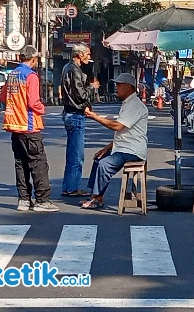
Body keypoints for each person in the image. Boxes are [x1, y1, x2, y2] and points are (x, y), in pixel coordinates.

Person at [0, 45, 59, 212]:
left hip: (14, 126)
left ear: (20, 58)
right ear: (33, 60)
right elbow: (33, 102)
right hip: (29, 126)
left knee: (21, 164)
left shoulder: (12, 75)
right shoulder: (31, 76)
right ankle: (42, 201)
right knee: (38, 163)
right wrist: (42, 108)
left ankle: (24, 200)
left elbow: (3, 97)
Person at [80, 73, 148, 209]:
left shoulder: (134, 105)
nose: (117, 88)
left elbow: (118, 126)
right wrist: (107, 148)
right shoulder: (127, 104)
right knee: (99, 158)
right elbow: (124, 133)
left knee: (105, 164)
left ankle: (97, 197)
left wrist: (96, 117)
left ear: (129, 87)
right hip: (124, 147)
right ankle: (94, 194)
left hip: (132, 151)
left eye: (119, 85)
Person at [60, 43, 100, 197]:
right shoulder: (74, 70)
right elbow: (80, 95)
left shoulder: (69, 68)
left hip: (71, 113)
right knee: (77, 155)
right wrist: (91, 87)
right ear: (79, 54)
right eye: (87, 54)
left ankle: (69, 186)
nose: (89, 57)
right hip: (75, 114)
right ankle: (71, 187)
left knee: (73, 154)